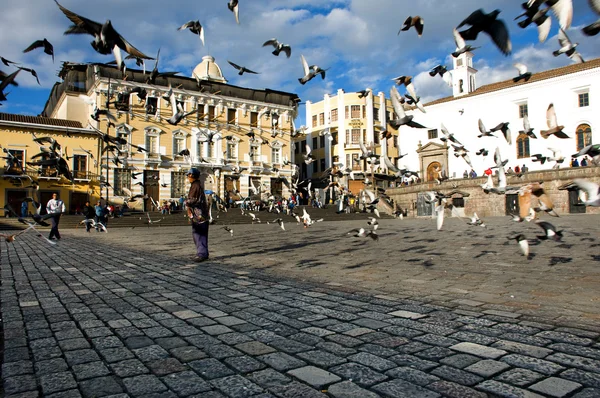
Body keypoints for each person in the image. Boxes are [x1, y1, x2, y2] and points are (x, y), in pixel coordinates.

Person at [185, 168, 210, 262]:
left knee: (199, 234)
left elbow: (192, 199)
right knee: (200, 235)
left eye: (188, 175)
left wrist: (186, 202)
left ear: (192, 175)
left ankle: (202, 254)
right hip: (201, 214)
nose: (188, 177)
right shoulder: (197, 185)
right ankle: (203, 253)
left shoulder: (195, 186)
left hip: (199, 215)